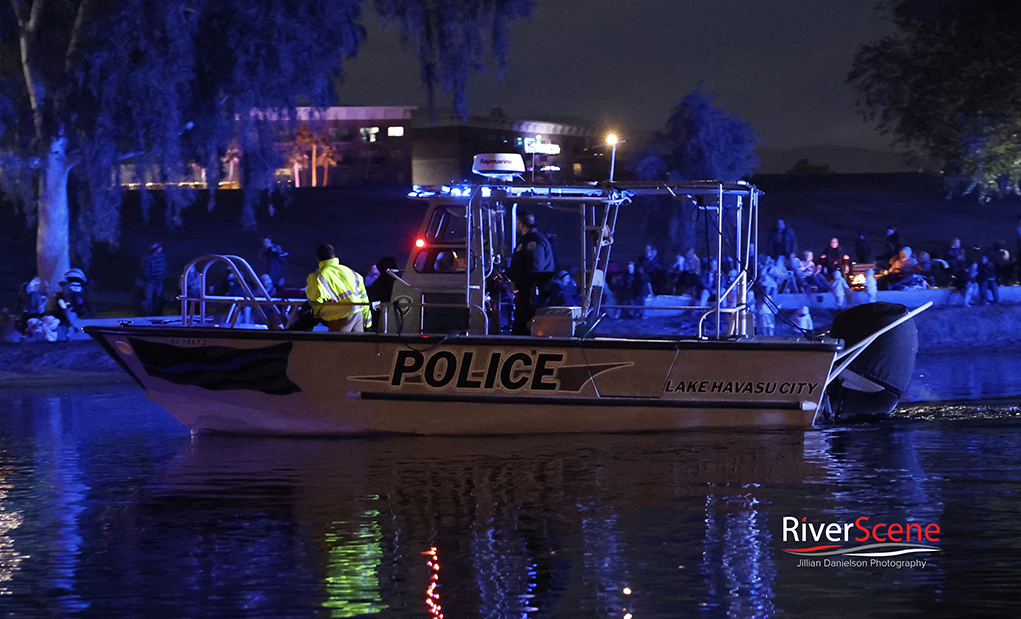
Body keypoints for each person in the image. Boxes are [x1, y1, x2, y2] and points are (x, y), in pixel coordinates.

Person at [506, 210, 555, 335]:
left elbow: (534, 268)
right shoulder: (527, 240)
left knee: (524, 326)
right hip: (527, 292)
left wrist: (518, 284)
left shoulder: (533, 242)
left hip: (531, 294)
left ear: (521, 224)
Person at [305, 244, 371, 332]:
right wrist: (368, 322)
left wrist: (315, 315)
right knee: (357, 345)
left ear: (317, 258)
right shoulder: (351, 272)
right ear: (334, 256)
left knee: (336, 345)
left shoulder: (317, 276)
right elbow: (364, 297)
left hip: (340, 317)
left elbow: (315, 299)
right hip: (358, 313)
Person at [141, 242, 167, 315]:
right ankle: (148, 312)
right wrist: (151, 279)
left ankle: (157, 312)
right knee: (149, 298)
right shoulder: (148, 258)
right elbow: (146, 270)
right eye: (159, 248)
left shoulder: (162, 257)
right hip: (150, 282)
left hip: (160, 280)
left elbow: (164, 267)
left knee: (158, 297)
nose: (161, 249)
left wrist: (162, 277)